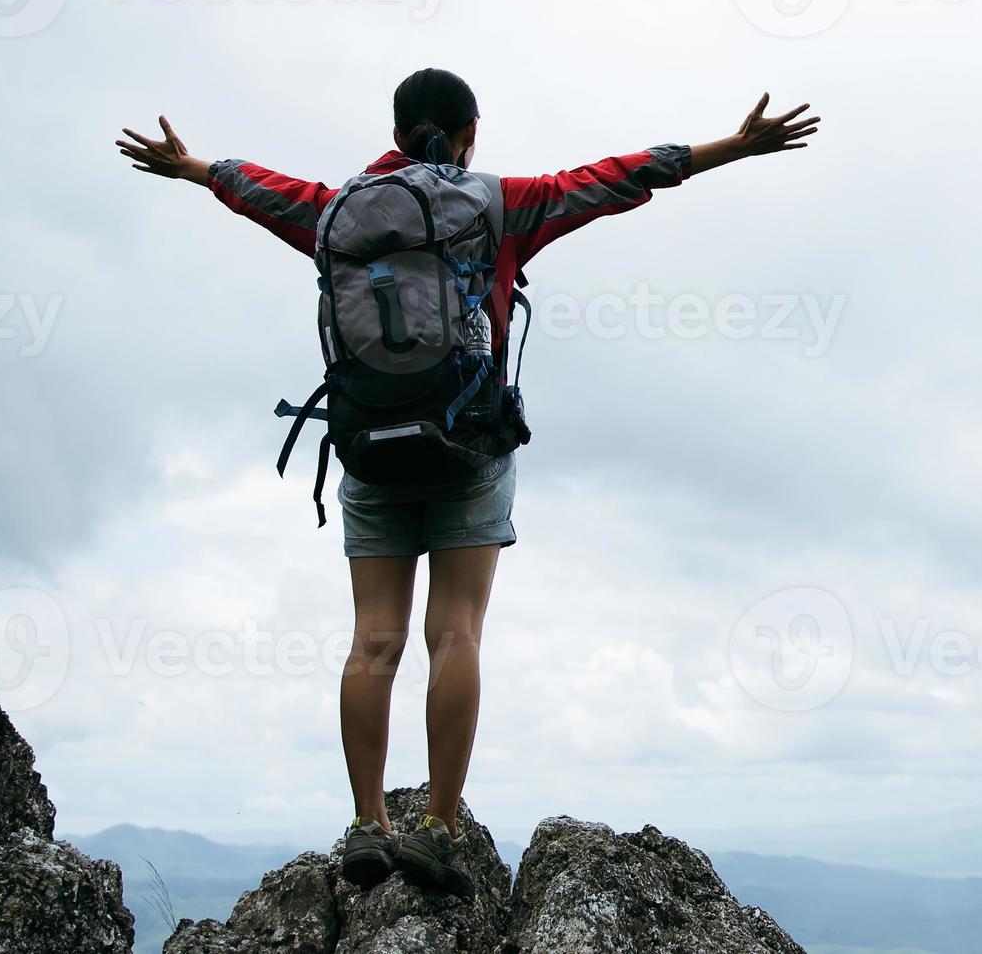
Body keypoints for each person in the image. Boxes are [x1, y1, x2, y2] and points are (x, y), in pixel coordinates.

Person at [114, 68, 818, 894]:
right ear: (471, 130)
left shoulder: (337, 209)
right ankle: (438, 827)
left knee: (373, 638)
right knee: (456, 634)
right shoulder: (499, 203)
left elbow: (257, 190)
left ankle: (367, 824)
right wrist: (732, 147)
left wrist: (194, 169)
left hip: (369, 444)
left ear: (396, 128)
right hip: (468, 446)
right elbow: (614, 179)